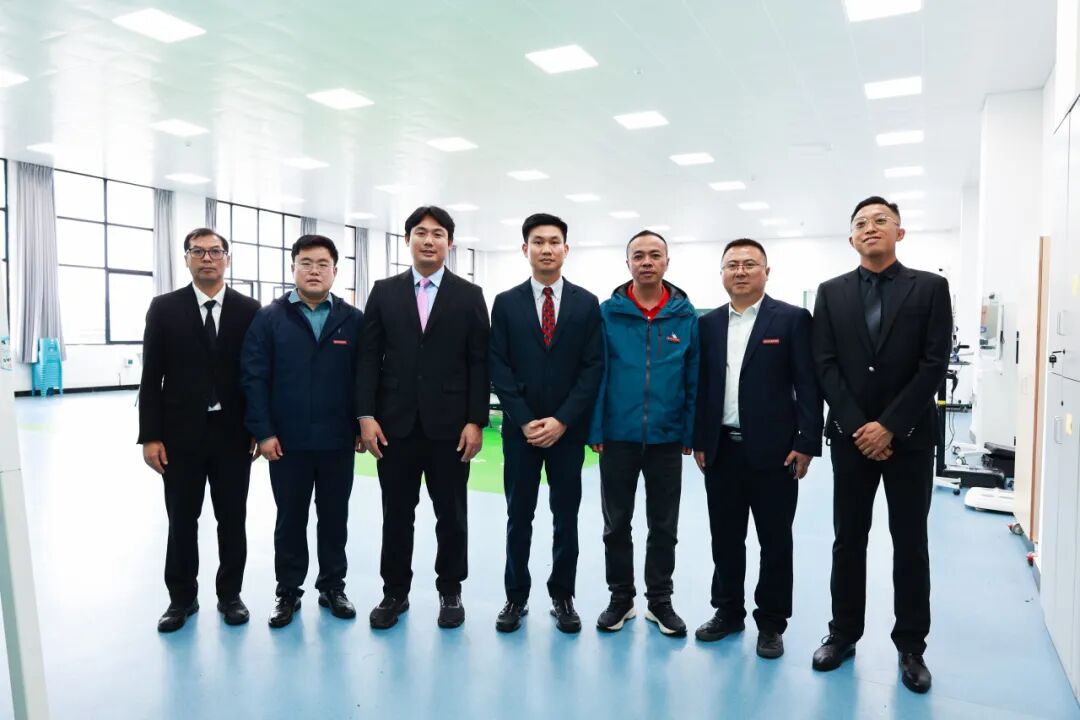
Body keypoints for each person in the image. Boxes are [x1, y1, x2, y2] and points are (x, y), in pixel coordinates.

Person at [810, 196, 951, 694]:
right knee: (848, 539)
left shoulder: (930, 288)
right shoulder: (831, 292)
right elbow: (824, 363)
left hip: (909, 440)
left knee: (910, 541)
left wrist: (889, 426)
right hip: (851, 440)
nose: (870, 228)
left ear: (899, 232)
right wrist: (858, 426)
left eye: (880, 221)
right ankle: (843, 633)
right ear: (851, 238)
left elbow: (934, 363)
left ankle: (911, 645)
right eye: (861, 223)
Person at [356, 206, 490, 630]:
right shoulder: (384, 291)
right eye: (420, 232)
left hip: (450, 428)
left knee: (451, 515)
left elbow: (479, 362)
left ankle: (450, 590)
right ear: (407, 240)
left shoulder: (469, 295)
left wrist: (476, 420)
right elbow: (367, 358)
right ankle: (394, 592)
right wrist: (365, 415)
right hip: (393, 426)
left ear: (450, 242)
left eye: (437, 234)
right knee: (397, 514)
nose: (428, 240)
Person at [691, 238, 822, 658]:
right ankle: (728, 611)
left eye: (750, 264)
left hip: (776, 453)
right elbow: (703, 387)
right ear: (722, 274)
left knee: (775, 541)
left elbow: (808, 384)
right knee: (725, 538)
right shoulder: (708, 324)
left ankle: (771, 623)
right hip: (722, 451)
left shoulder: (792, 319)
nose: (741, 271)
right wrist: (700, 439)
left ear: (767, 271)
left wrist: (806, 442)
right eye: (732, 265)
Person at [138, 227, 261, 632]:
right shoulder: (164, 308)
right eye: (198, 251)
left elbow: (258, 375)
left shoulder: (249, 310)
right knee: (181, 520)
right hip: (180, 436)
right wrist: (150, 436)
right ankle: (181, 599)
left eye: (215, 251)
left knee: (232, 519)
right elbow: (151, 377)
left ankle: (230, 596)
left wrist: (258, 428)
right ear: (186, 259)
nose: (207, 258)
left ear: (227, 258)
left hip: (233, 435)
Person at [241, 235, 364, 628]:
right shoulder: (269, 318)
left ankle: (333, 587)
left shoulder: (352, 319)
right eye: (306, 263)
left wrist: (361, 424)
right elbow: (254, 377)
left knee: (335, 518)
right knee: (290, 519)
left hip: (337, 440)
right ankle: (288, 592)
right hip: (286, 442)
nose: (314, 271)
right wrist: (263, 432)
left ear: (335, 271)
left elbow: (364, 378)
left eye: (322, 264)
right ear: (293, 267)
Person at [489, 213, 603, 633]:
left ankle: (562, 596)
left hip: (567, 435)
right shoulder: (506, 303)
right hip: (521, 434)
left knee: (565, 518)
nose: (547, 249)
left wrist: (562, 420)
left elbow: (592, 368)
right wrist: (523, 420)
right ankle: (515, 597)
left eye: (555, 242)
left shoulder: (587, 304)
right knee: (518, 516)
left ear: (566, 249)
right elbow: (498, 366)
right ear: (526, 249)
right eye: (538, 242)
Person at [588, 230, 699, 637]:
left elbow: (693, 377)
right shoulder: (608, 313)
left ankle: (659, 601)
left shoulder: (685, 316)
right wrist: (596, 427)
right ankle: (621, 598)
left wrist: (689, 431)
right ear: (628, 263)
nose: (647, 262)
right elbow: (597, 373)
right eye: (639, 255)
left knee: (664, 525)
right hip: (617, 436)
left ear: (667, 262)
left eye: (655, 255)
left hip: (667, 439)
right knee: (616, 523)